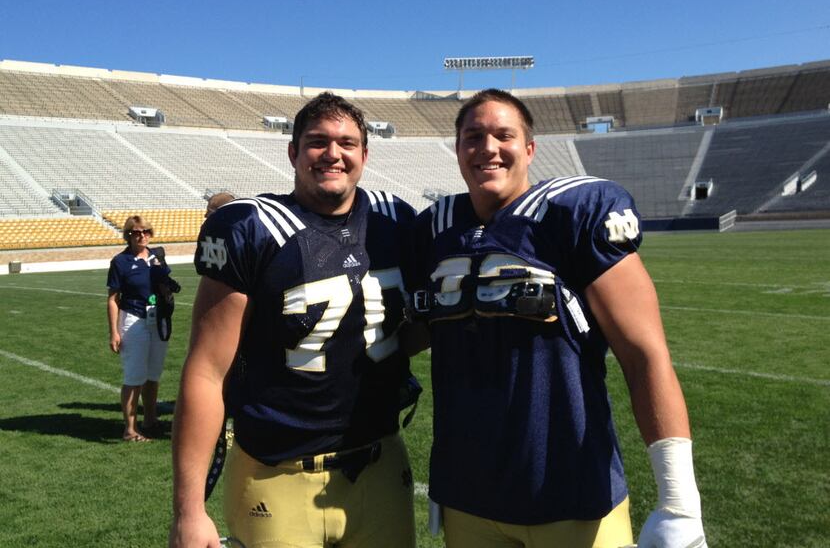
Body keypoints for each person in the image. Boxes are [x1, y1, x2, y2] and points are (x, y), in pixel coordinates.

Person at [412, 89, 707, 548]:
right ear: (458, 149)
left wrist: (679, 501)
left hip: (573, 496)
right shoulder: (435, 227)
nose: (487, 147)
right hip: (467, 495)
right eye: (473, 136)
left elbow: (644, 353)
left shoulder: (573, 212)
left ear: (529, 149)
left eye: (503, 135)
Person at [169, 92, 418, 548]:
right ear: (294, 152)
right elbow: (206, 371)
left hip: (379, 464)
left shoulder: (394, 219)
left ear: (365, 154)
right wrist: (188, 509)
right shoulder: (252, 226)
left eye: (346, 142)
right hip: (275, 473)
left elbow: (418, 323)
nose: (333, 153)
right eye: (317, 141)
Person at [107, 216, 176, 441]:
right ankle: (130, 429)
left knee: (153, 376)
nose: (142, 235)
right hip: (133, 318)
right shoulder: (121, 261)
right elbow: (113, 299)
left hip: (157, 319)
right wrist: (114, 331)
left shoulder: (157, 257)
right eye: (136, 232)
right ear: (128, 235)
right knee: (134, 377)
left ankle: (150, 420)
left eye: (146, 231)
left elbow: (165, 283)